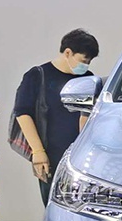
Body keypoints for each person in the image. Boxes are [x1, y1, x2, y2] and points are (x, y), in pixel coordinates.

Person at [13, 29, 99, 205]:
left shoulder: (88, 79)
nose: (86, 66)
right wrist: (38, 152)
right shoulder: (38, 75)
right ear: (68, 52)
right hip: (50, 157)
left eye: (89, 62)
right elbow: (22, 113)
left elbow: (87, 116)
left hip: (81, 158)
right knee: (53, 207)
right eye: (83, 61)